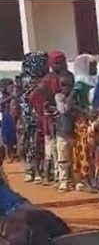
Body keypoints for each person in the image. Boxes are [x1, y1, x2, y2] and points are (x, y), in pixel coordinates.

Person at [19, 52, 48, 183]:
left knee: (41, 144)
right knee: (32, 144)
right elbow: (23, 100)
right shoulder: (25, 80)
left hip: (43, 115)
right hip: (31, 118)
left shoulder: (46, 78)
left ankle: (39, 170)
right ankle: (32, 171)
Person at [72, 54, 97, 192]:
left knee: (94, 150)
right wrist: (85, 112)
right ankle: (86, 180)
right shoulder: (79, 84)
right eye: (92, 65)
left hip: (95, 119)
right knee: (85, 149)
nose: (95, 68)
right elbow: (71, 103)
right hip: (84, 121)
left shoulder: (93, 81)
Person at [54, 73, 76, 192]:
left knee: (74, 158)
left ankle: (73, 180)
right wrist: (71, 96)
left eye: (68, 85)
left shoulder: (76, 97)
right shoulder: (58, 97)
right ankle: (63, 181)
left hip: (74, 132)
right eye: (63, 85)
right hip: (62, 133)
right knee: (63, 158)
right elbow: (64, 109)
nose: (66, 88)